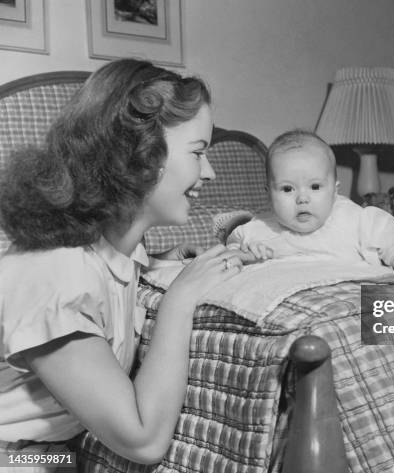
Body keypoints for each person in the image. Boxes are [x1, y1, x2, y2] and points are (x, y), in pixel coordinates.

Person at [0, 59, 250, 468]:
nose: (210, 172)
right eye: (198, 152)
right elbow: (143, 442)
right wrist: (179, 300)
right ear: (138, 155)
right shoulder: (56, 276)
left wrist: (158, 263)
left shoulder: (118, 250)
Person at [227, 130, 394, 271]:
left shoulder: (353, 218)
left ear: (334, 191)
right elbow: (231, 251)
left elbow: (386, 231)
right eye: (287, 189)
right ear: (269, 194)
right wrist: (242, 255)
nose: (302, 199)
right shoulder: (259, 228)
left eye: (315, 187)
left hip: (345, 292)